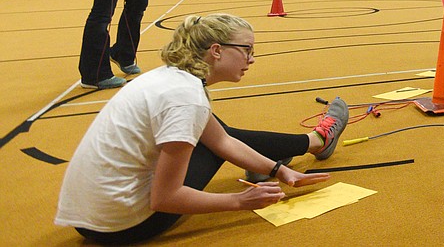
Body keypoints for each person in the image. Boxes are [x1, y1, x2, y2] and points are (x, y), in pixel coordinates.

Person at [55, 13, 350, 244]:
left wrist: (280, 171)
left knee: (212, 130)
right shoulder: (186, 100)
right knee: (207, 139)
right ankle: (316, 141)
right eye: (247, 49)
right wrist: (239, 201)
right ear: (217, 50)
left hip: (88, 220)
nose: (252, 59)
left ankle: (307, 145)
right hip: (122, 227)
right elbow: (164, 199)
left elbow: (223, 139)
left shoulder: (171, 77)